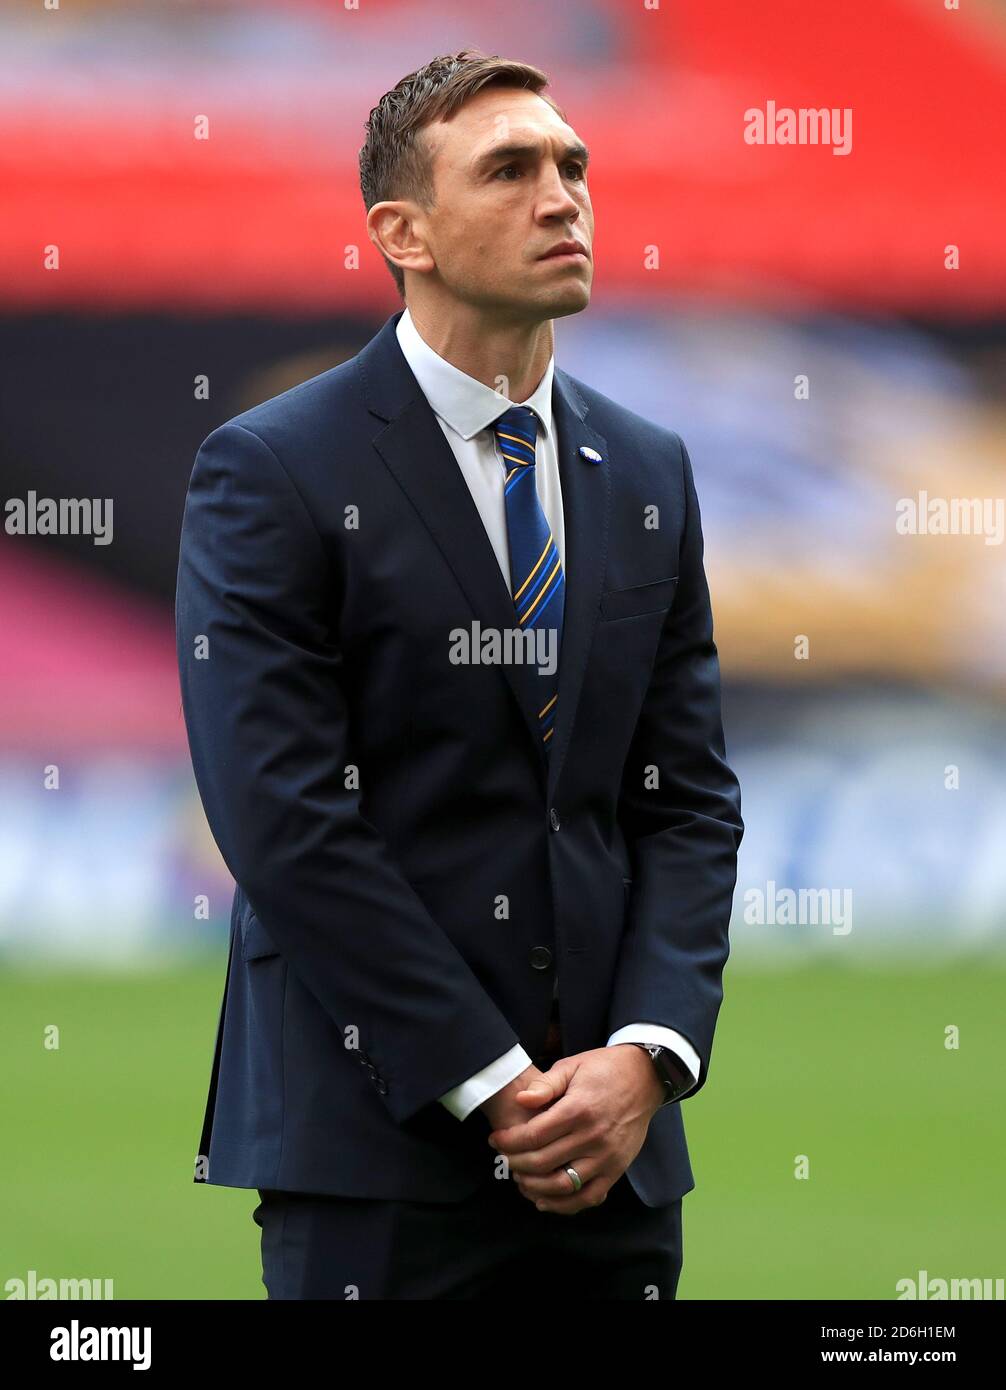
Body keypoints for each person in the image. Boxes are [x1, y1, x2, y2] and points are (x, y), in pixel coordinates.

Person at [175, 48, 743, 1300]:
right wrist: (490, 1080)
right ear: (404, 231)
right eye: (511, 170)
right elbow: (283, 818)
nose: (563, 196)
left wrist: (645, 1057)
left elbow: (686, 797)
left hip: (617, 1152)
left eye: (572, 165)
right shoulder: (272, 466)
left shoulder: (649, 468)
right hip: (376, 1152)